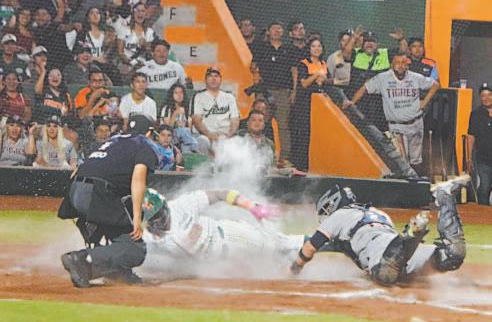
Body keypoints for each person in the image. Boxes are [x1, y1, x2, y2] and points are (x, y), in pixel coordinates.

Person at [289, 176, 471, 285]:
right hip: (395, 247)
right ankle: (444, 197)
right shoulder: (377, 213)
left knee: (386, 275)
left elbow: (310, 247)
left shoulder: (338, 216)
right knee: (452, 256)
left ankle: (410, 235)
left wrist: (295, 268)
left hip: (384, 254)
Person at [58, 114, 162, 288]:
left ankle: (117, 271)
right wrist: (137, 218)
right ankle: (83, 260)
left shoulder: (114, 140)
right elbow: (138, 179)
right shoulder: (145, 144)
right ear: (149, 133)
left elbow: (85, 167)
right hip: (96, 194)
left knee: (119, 221)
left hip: (75, 190)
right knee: (135, 249)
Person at [141, 187, 303, 265]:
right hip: (218, 265)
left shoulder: (182, 205)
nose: (157, 222)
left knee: (282, 244)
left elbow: (220, 194)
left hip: (231, 237)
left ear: (165, 206)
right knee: (272, 266)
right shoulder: (151, 239)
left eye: (158, 215)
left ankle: (316, 242)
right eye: (152, 219)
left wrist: (251, 206)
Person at [343, 51, 440, 169]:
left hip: (416, 123)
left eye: (403, 62)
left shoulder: (415, 77)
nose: (401, 65)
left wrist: (424, 102)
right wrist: (352, 102)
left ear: (407, 64)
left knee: (416, 161)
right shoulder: (383, 78)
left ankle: (417, 179)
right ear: (391, 64)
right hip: (397, 126)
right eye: (397, 62)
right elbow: (365, 88)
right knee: (402, 162)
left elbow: (435, 85)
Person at [251, 21, 297, 167]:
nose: (276, 31)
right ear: (268, 32)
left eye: (279, 28)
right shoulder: (261, 48)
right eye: (273, 28)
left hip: (283, 92)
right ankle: (259, 155)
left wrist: (294, 91)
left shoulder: (289, 49)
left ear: (283, 32)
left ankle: (284, 158)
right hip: (265, 92)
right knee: (261, 123)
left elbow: (294, 71)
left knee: (283, 125)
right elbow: (253, 66)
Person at [290, 37, 331, 172]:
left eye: (319, 46)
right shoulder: (304, 63)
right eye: (313, 46)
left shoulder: (324, 63)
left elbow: (327, 82)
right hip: (304, 103)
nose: (316, 49)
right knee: (303, 133)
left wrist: (324, 80)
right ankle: (300, 165)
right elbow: (304, 84)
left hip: (320, 105)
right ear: (309, 48)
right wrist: (316, 75)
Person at [190, 66, 239, 155]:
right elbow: (197, 120)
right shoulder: (198, 96)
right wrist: (209, 135)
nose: (213, 79)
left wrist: (229, 135)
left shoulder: (229, 97)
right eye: (210, 76)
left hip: (225, 136)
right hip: (205, 135)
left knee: (234, 144)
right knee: (202, 141)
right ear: (205, 80)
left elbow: (235, 120)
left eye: (216, 76)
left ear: (220, 80)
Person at [467, 82, 492, 205]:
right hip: (483, 159)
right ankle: (483, 213)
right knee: (484, 188)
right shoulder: (476, 114)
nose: (486, 98)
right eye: (483, 95)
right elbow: (471, 136)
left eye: (489, 95)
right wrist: (468, 157)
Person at [160, 83, 197, 153]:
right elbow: (167, 129)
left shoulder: (187, 108)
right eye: (176, 93)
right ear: (172, 95)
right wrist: (175, 113)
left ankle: (187, 154)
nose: (179, 95)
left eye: (181, 92)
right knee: (183, 131)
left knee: (193, 139)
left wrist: (185, 124)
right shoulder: (167, 108)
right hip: (170, 136)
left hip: (184, 137)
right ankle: (195, 147)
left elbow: (189, 130)